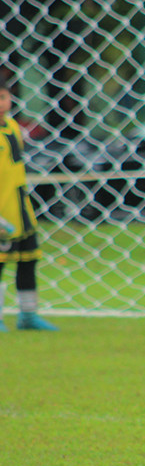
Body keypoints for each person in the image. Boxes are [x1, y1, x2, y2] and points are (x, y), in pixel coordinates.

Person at [0, 79, 58, 332]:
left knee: (28, 261)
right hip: (1, 212)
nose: (1, 104)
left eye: (3, 97)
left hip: (20, 209)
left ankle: (28, 315)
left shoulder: (13, 126)